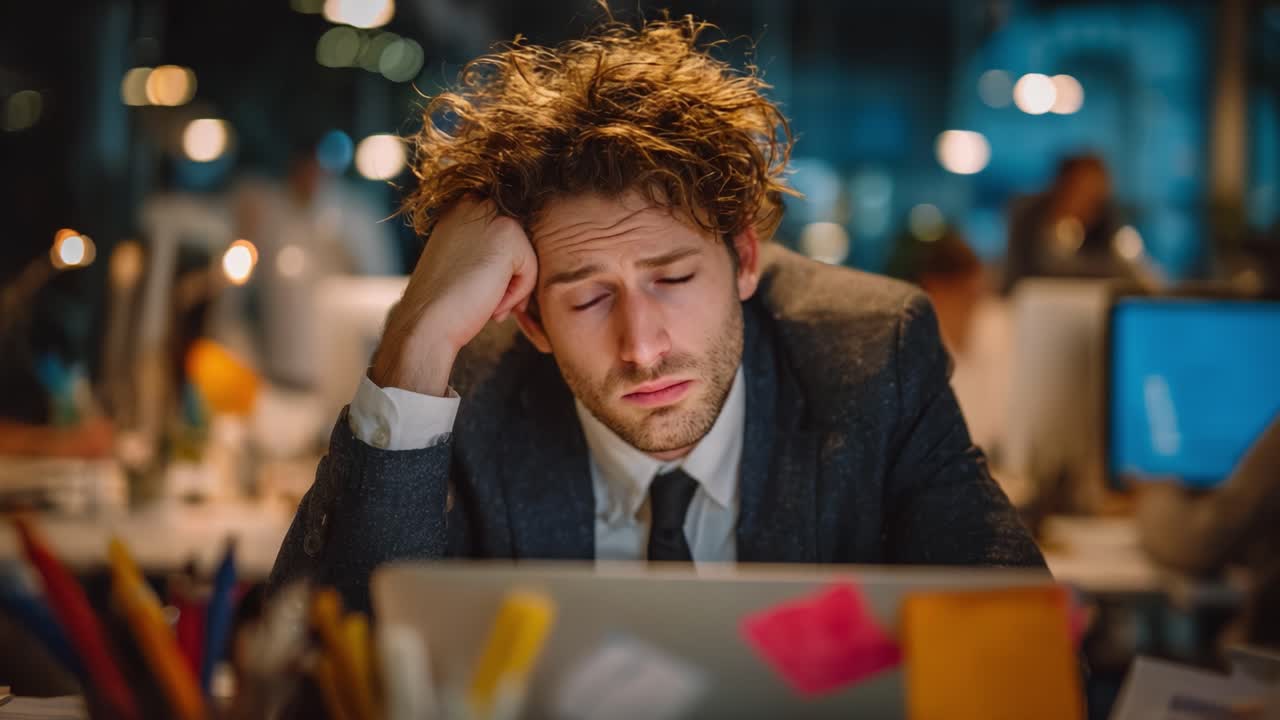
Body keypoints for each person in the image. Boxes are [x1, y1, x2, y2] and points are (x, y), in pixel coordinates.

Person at [268, 15, 1045, 611]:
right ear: (532, 321)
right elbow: (321, 664)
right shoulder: (462, 390)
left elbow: (1016, 649)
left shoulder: (875, 356)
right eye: (588, 296)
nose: (640, 346)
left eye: (672, 278)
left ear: (744, 259)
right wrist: (415, 335)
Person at [890, 229, 1012, 465]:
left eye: (975, 291)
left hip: (1002, 464)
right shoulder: (911, 343)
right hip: (946, 470)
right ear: (932, 288)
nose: (972, 301)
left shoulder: (1000, 324)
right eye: (963, 292)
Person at [1003, 154, 1139, 294]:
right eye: (1080, 190)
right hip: (1033, 303)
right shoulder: (1028, 217)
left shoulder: (1108, 221)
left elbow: (1120, 271)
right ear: (1061, 187)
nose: (1086, 203)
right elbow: (1020, 274)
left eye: (1094, 196)